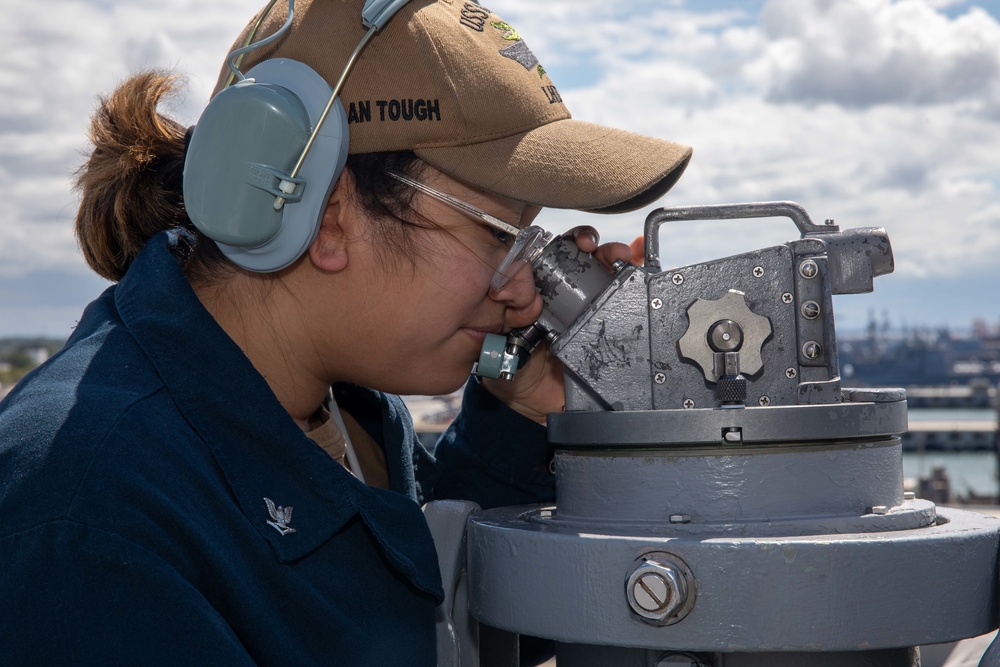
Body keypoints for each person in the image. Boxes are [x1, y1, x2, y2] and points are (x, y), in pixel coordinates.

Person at [0, 0, 691, 664]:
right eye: (499, 233)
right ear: (328, 214)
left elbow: (424, 614)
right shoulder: (93, 513)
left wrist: (518, 413)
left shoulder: (340, 407)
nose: (523, 287)